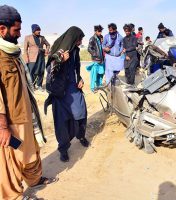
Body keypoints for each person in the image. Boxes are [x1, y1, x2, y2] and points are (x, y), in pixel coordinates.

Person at [0, 5, 57, 200]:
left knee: (31, 151)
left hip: (27, 115)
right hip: (11, 120)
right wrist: (3, 127)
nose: (19, 34)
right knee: (12, 160)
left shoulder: (12, 53)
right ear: (2, 29)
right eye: (16, 30)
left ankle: (34, 180)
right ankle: (14, 196)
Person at [44, 26, 89, 162]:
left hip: (73, 89)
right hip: (60, 92)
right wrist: (60, 60)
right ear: (73, 38)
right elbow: (49, 70)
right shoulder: (59, 49)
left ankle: (81, 135)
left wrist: (79, 78)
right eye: (79, 39)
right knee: (62, 122)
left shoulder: (75, 50)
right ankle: (63, 149)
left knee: (81, 113)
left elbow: (76, 69)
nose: (80, 42)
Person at [24, 24, 50, 91]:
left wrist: (46, 52)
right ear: (33, 30)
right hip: (32, 58)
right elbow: (25, 49)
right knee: (31, 72)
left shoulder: (42, 37)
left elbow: (48, 45)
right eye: (37, 30)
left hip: (41, 57)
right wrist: (26, 59)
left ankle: (39, 85)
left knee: (41, 71)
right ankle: (31, 85)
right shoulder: (27, 37)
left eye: (39, 30)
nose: (39, 31)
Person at [87, 25, 105, 92]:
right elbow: (89, 48)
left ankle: (99, 86)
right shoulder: (92, 38)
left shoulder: (100, 38)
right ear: (95, 31)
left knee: (101, 73)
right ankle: (93, 88)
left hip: (101, 60)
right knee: (94, 75)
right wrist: (95, 55)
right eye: (99, 31)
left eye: (101, 31)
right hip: (96, 60)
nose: (100, 32)